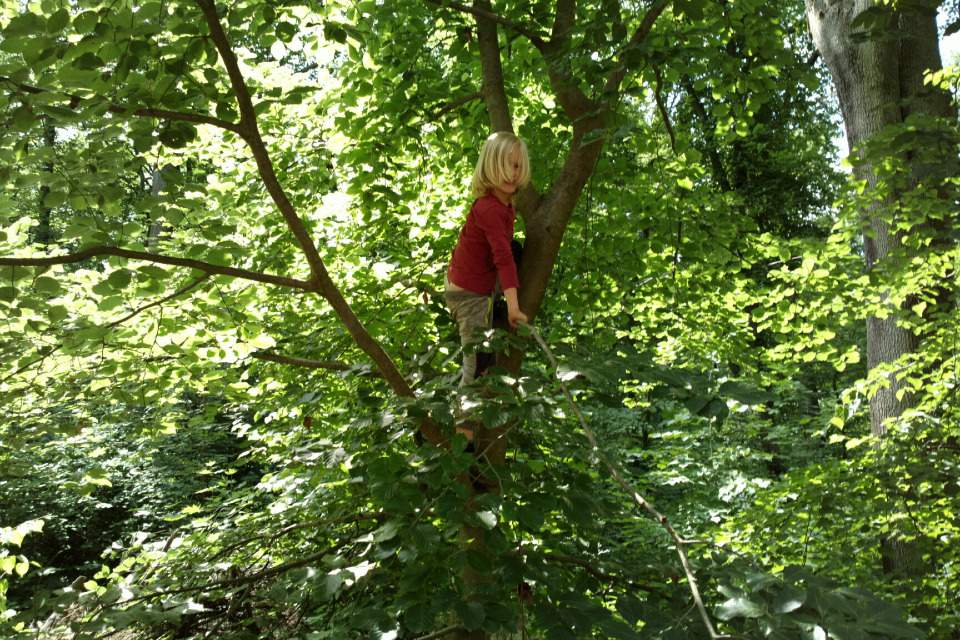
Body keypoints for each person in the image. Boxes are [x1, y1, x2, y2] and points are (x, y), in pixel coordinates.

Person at [444, 131, 530, 443]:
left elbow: (502, 252)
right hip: (468, 295)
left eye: (518, 167)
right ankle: (462, 443)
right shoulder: (491, 208)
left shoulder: (504, 203)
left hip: (473, 281)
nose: (512, 174)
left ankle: (496, 304)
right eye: (505, 166)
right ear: (490, 168)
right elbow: (502, 258)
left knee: (514, 248)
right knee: (477, 367)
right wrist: (514, 306)